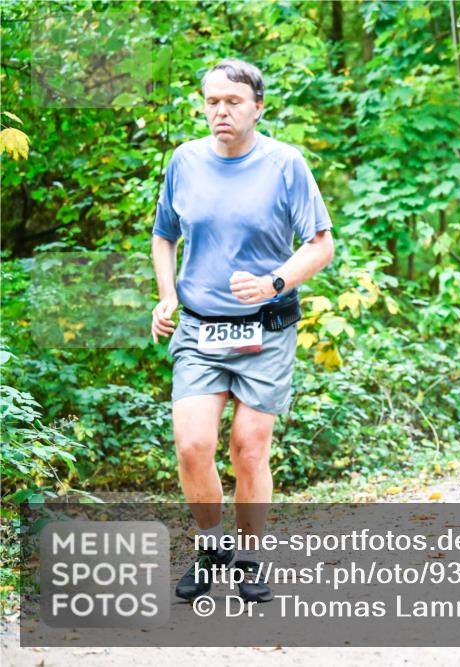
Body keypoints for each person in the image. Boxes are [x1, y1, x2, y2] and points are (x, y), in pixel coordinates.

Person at [151, 59, 334, 602]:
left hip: (266, 329)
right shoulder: (184, 161)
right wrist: (165, 295)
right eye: (211, 101)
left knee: (249, 448)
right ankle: (211, 550)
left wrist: (276, 281)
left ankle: (250, 555)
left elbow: (321, 243)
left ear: (258, 107)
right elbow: (165, 237)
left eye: (232, 101)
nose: (220, 111)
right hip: (201, 329)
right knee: (192, 444)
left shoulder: (285, 163)